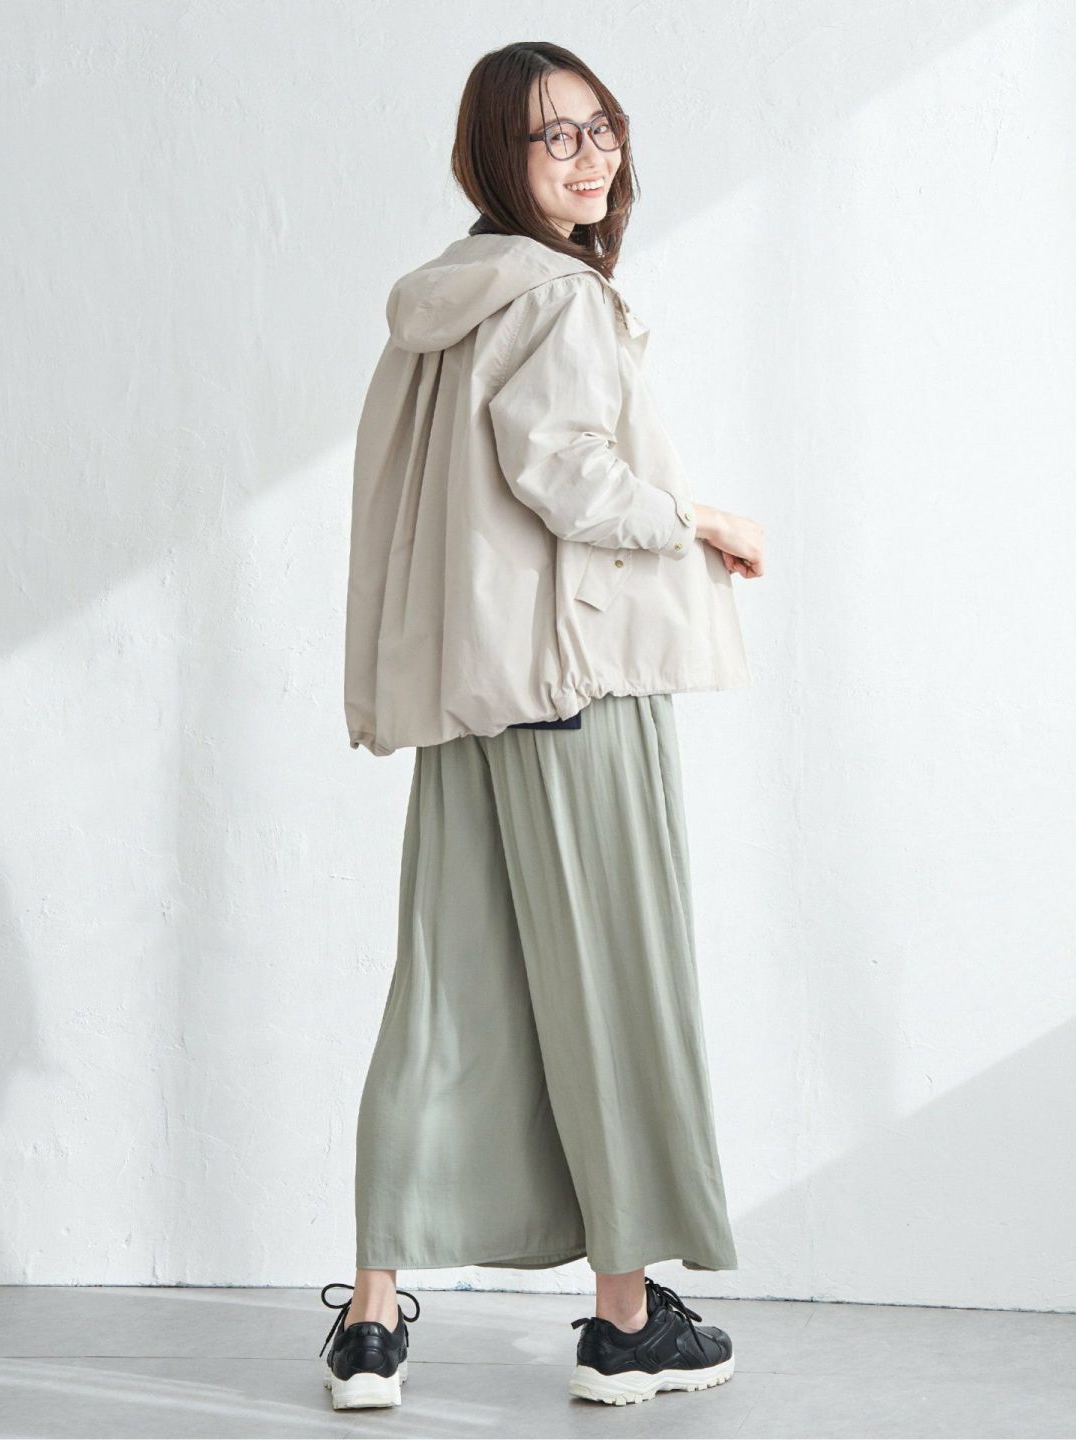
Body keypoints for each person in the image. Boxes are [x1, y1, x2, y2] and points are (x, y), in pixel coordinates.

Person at [319, 41, 766, 1412]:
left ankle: (373, 1325)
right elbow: (564, 470)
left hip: (475, 699)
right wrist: (697, 519)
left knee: (444, 991)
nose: (588, 156)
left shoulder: (446, 303)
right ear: (496, 159)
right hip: (575, 687)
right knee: (615, 991)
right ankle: (624, 1327)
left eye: (599, 126)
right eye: (550, 136)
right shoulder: (559, 296)